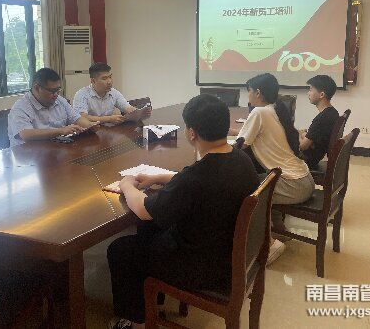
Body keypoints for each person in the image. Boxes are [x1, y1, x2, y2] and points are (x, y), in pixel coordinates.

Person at [107, 94, 260, 329]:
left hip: (202, 266)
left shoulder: (197, 176)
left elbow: (144, 210)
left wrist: (127, 185)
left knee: (121, 249)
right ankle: (153, 301)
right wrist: (159, 177)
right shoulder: (241, 159)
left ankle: (135, 321)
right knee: (150, 228)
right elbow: (200, 182)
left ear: (191, 133)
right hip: (228, 252)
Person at [237, 73, 315, 265]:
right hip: (303, 180)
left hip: (292, 185)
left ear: (258, 92)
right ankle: (279, 229)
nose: (248, 95)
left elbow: (240, 145)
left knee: (245, 194)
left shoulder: (259, 112)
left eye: (249, 91)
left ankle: (270, 244)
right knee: (262, 180)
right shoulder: (275, 109)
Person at [7, 67, 97, 147]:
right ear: (37, 88)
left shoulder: (59, 100)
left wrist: (89, 126)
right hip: (28, 155)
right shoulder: (21, 107)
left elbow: (76, 118)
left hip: (56, 149)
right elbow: (26, 134)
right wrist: (61, 131)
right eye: (52, 91)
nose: (56, 95)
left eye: (58, 90)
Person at [72, 62, 150, 124]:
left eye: (110, 77)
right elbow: (82, 118)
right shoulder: (82, 95)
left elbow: (127, 108)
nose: (109, 81)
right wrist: (109, 119)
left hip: (108, 130)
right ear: (93, 81)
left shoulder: (114, 92)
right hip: (89, 133)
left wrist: (139, 113)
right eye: (104, 78)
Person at [299, 75, 340, 169]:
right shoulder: (333, 112)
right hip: (315, 156)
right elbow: (315, 138)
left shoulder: (321, 119)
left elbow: (302, 146)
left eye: (310, 89)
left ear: (321, 95)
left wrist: (298, 135)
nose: (308, 93)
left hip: (306, 160)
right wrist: (303, 134)